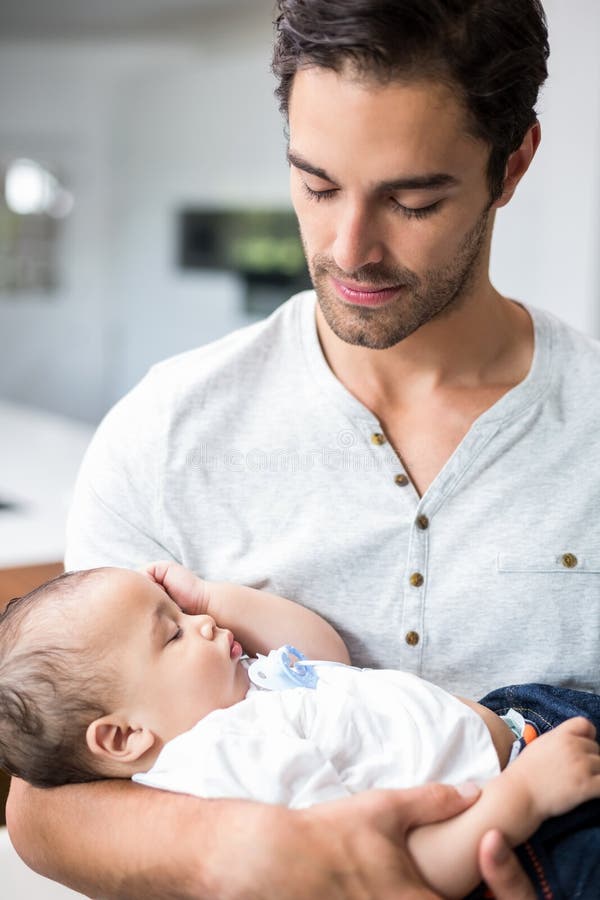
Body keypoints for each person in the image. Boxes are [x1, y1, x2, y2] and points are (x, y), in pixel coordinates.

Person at [8, 0, 596, 897]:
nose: (348, 250)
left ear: (511, 164)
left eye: (412, 200)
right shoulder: (164, 432)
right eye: (317, 186)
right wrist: (244, 852)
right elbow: (51, 805)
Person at [2, 561, 600, 899]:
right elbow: (377, 866)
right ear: (123, 737)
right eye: (173, 632)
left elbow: (325, 653)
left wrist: (210, 596)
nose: (203, 621)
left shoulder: (238, 687)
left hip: (530, 721)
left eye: (183, 610)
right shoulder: (229, 761)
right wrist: (520, 800)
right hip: (519, 832)